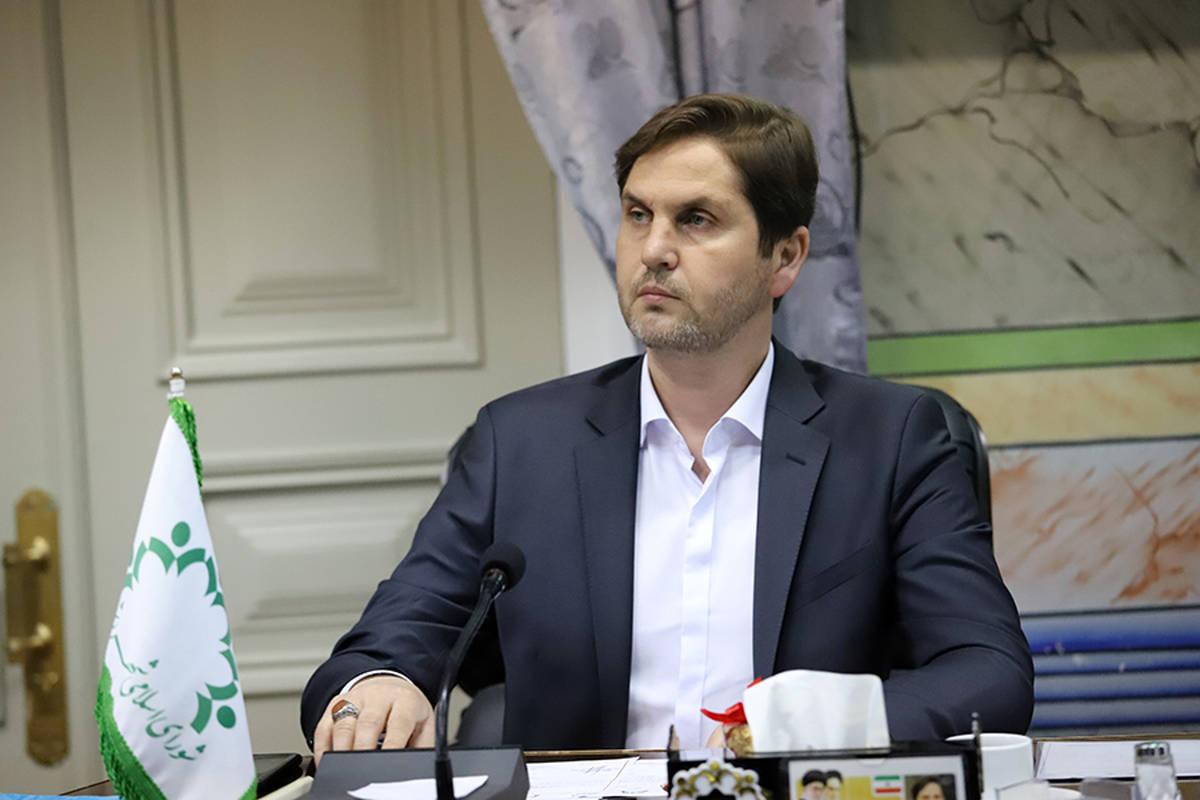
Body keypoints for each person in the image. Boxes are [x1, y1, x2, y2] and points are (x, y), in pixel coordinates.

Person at [300, 93, 1034, 761]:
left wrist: (805, 723)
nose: (653, 249)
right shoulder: (520, 442)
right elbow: (383, 646)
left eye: (697, 219)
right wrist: (379, 686)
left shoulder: (893, 438)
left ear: (784, 258)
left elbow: (989, 673)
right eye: (638, 214)